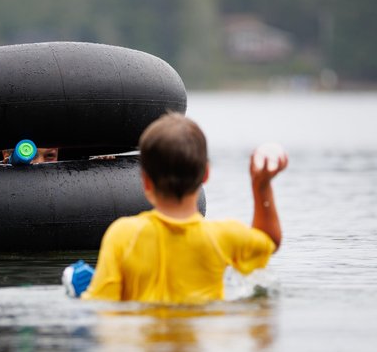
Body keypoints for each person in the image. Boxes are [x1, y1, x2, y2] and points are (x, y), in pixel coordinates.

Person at [67, 112, 287, 304]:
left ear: (146, 182)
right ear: (206, 174)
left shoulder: (123, 235)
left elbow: (101, 306)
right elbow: (270, 241)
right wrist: (261, 187)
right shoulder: (225, 236)